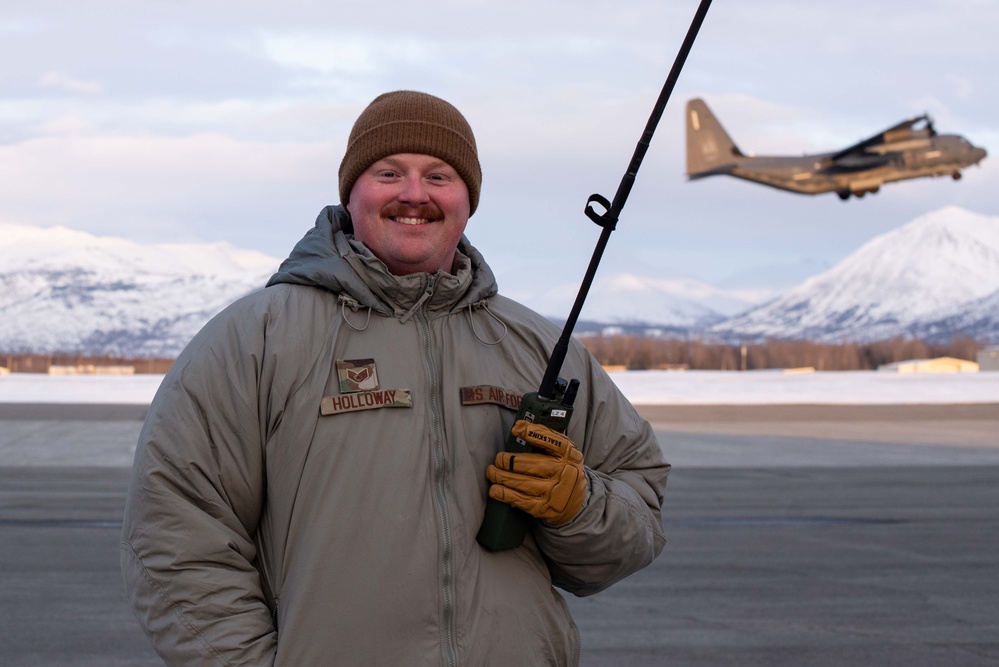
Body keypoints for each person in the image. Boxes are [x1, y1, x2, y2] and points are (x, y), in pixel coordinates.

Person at [121, 90, 670, 666]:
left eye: (439, 175)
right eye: (389, 172)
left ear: (467, 200)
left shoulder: (537, 348)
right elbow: (175, 537)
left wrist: (577, 506)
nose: (415, 194)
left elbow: (636, 513)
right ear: (351, 193)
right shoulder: (256, 339)